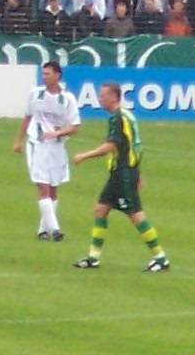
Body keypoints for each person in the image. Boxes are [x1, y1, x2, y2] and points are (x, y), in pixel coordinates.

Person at [69, 82, 170, 271]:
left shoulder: (117, 118)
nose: (100, 99)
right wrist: (137, 172)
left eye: (103, 96)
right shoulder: (128, 116)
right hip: (122, 173)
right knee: (100, 210)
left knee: (135, 215)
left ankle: (161, 258)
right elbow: (135, 145)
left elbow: (111, 146)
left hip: (123, 174)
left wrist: (84, 155)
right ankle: (93, 258)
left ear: (114, 97)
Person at [14, 57, 80, 242]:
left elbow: (75, 126)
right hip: (37, 143)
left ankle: (43, 230)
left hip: (57, 146)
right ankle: (55, 229)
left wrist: (57, 133)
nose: (44, 77)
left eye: (48, 73)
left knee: (53, 187)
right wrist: (19, 140)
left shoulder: (67, 99)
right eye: (43, 73)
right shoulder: (36, 94)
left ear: (57, 75)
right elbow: (28, 117)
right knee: (42, 185)